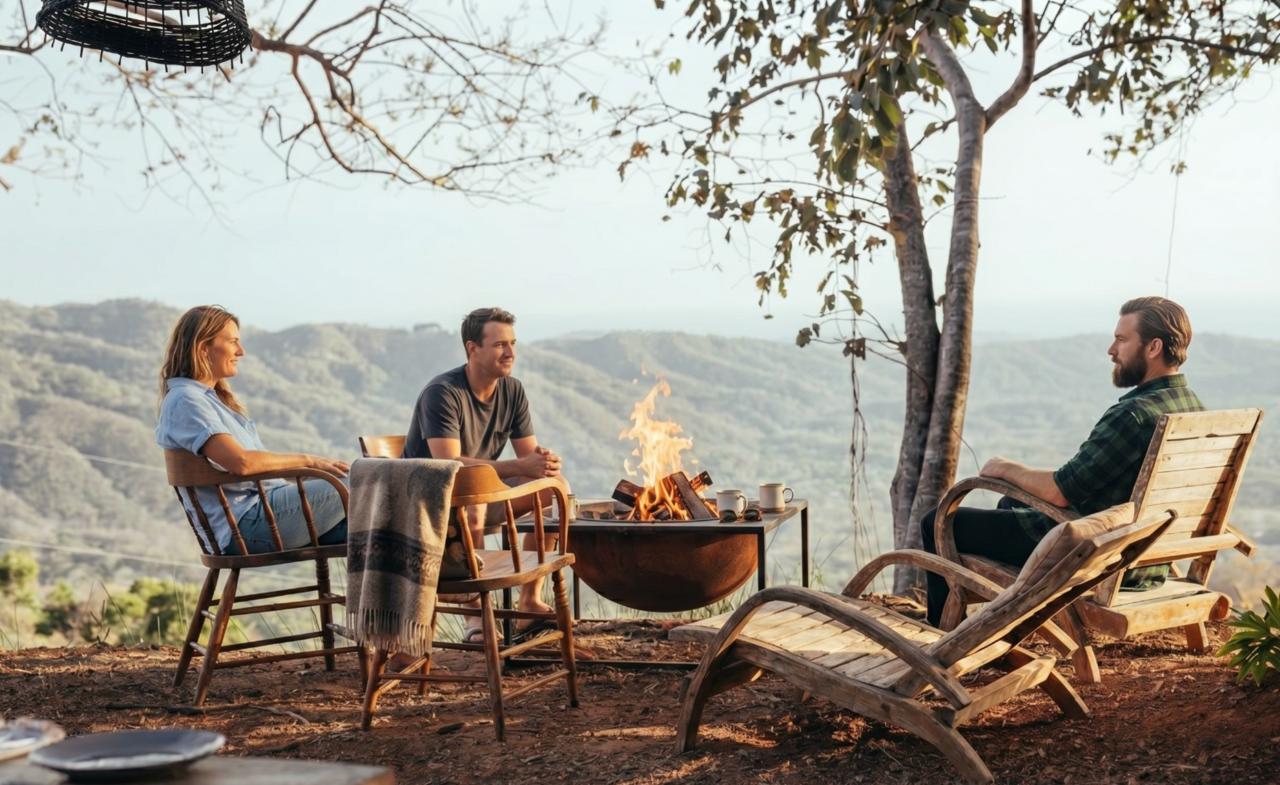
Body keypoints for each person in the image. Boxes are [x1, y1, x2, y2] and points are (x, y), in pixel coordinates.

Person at [919, 296, 1204, 627]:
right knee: (1011, 500)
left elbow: (1061, 492)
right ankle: (1002, 619)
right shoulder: (1191, 407)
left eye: (1122, 340)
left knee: (937, 521)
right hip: (1146, 559)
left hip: (1098, 557)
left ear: (1154, 347)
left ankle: (940, 631)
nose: (1112, 350)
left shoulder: (1134, 415)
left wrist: (1003, 468)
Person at [404, 307, 567, 642]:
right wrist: (520, 468)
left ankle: (530, 601)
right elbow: (449, 464)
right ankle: (476, 618)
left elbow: (528, 456)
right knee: (472, 496)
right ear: (472, 348)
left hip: (482, 494)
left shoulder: (512, 390)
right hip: (434, 503)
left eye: (512, 343)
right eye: (499, 345)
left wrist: (544, 464)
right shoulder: (443, 393)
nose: (510, 353)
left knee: (553, 489)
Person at [155, 305, 351, 555]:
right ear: (203, 348)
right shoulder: (186, 400)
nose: (241, 351)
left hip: (263, 513)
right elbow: (242, 463)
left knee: (386, 530)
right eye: (233, 342)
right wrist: (311, 461)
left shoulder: (208, 399)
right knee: (366, 478)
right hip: (248, 525)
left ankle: (375, 592)